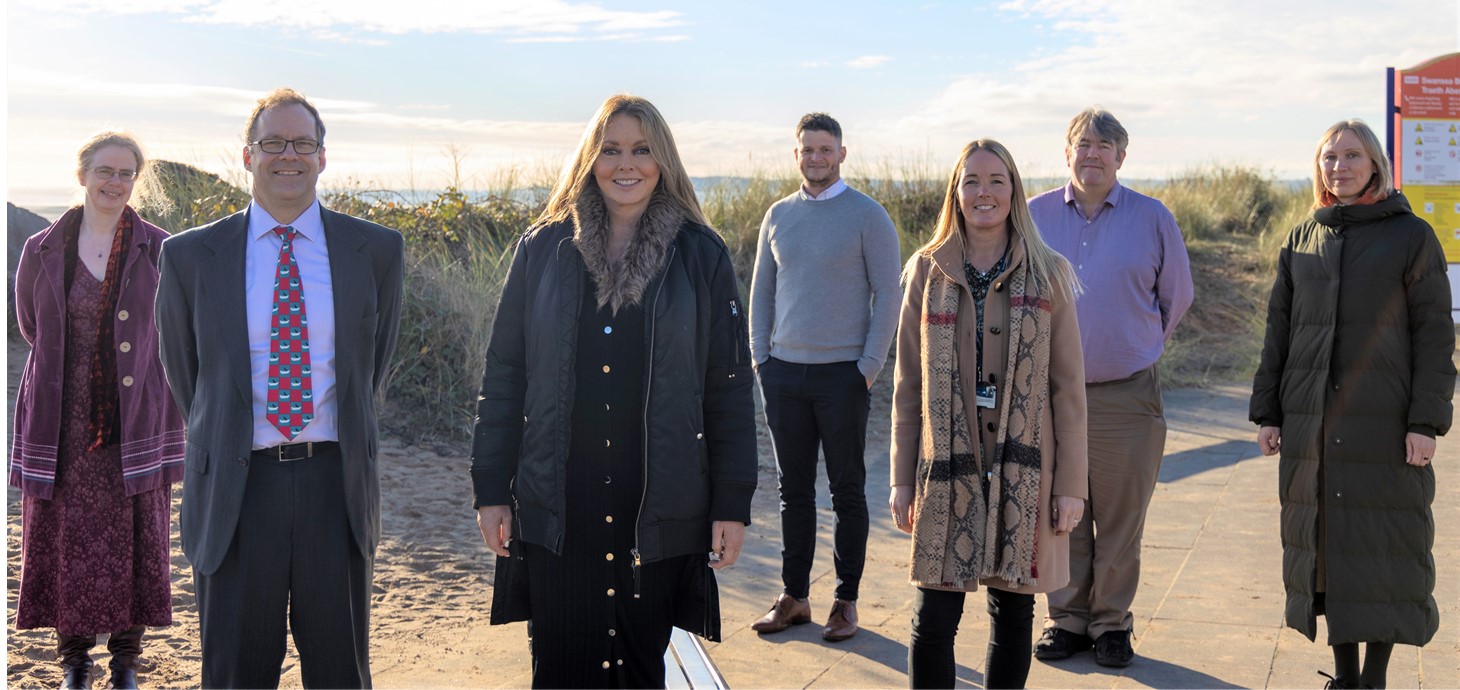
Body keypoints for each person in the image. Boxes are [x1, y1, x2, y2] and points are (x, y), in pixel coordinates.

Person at [471, 94, 757, 688]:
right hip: (558, 501)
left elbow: (728, 388)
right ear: (590, 159)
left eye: (642, 149)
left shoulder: (701, 254)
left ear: (664, 160)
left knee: (637, 668)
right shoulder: (542, 249)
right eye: (611, 150)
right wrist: (490, 488)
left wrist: (732, 501)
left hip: (657, 500)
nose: (626, 164)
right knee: (558, 669)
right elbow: (504, 376)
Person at [155, 87, 404, 688]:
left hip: (334, 486)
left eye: (302, 143)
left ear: (323, 156)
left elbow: (371, 366)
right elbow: (190, 378)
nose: (287, 155)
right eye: (273, 143)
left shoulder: (375, 250)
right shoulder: (189, 257)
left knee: (340, 673)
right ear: (247, 155)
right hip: (237, 492)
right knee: (236, 673)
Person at [1250, 119, 1453, 690]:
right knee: (1325, 550)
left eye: (1351, 155)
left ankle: (1376, 677)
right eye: (1329, 157)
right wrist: (1268, 412)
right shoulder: (1302, 238)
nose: (1339, 166)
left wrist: (1426, 422)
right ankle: (1343, 676)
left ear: (1375, 164)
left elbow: (1436, 336)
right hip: (1311, 422)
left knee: (1386, 547)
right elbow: (1279, 334)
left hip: (1385, 426)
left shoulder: (1412, 237)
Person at [890, 139, 1088, 689]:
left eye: (997, 180)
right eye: (972, 180)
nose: (984, 192)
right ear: (956, 191)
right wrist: (901, 480)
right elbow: (908, 388)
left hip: (1026, 472)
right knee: (933, 619)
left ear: (1014, 191)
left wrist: (1070, 485)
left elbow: (1069, 391)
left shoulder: (1050, 273)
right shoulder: (924, 273)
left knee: (1014, 615)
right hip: (945, 469)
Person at [11, 131, 184, 690]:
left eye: (127, 173)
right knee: (66, 533)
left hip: (135, 417)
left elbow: (175, 330)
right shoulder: (41, 248)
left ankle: (127, 661)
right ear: (82, 174)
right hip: (60, 418)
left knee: (137, 532)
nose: (115, 182)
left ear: (137, 180)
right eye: (105, 171)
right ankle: (75, 662)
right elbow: (31, 327)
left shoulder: (160, 248)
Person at [1027, 107, 1193, 668]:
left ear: (1122, 156)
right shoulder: (1033, 215)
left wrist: (1138, 344)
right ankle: (1067, 619)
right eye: (1082, 143)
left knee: (1121, 517)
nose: (1092, 153)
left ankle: (1111, 625)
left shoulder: (1152, 217)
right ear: (1066, 152)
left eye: (1104, 145)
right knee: (1059, 509)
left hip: (1127, 394)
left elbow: (1177, 296)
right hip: (1050, 397)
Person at [748, 112, 902, 641]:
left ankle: (846, 601)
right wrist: (759, 360)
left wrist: (868, 367)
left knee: (846, 490)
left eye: (825, 149)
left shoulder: (868, 216)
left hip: (843, 375)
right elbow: (761, 293)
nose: (816, 158)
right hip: (783, 374)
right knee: (793, 491)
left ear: (841, 153)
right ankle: (794, 598)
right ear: (796, 155)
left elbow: (890, 294)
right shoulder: (778, 215)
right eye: (807, 150)